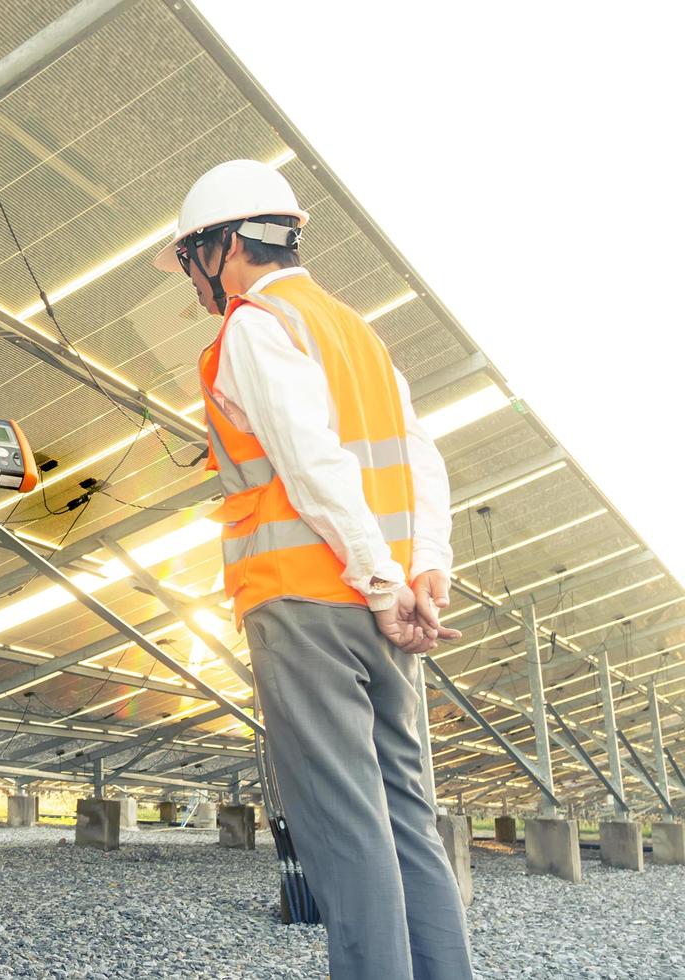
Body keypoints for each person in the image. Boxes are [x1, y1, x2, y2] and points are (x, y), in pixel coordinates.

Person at [156, 159, 473, 979]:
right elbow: (421, 458)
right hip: (390, 612)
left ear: (226, 247)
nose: (191, 278)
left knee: (344, 828)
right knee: (407, 818)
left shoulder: (256, 327)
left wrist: (377, 578)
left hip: (310, 605)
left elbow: (311, 463)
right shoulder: (354, 331)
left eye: (192, 257)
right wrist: (422, 572)